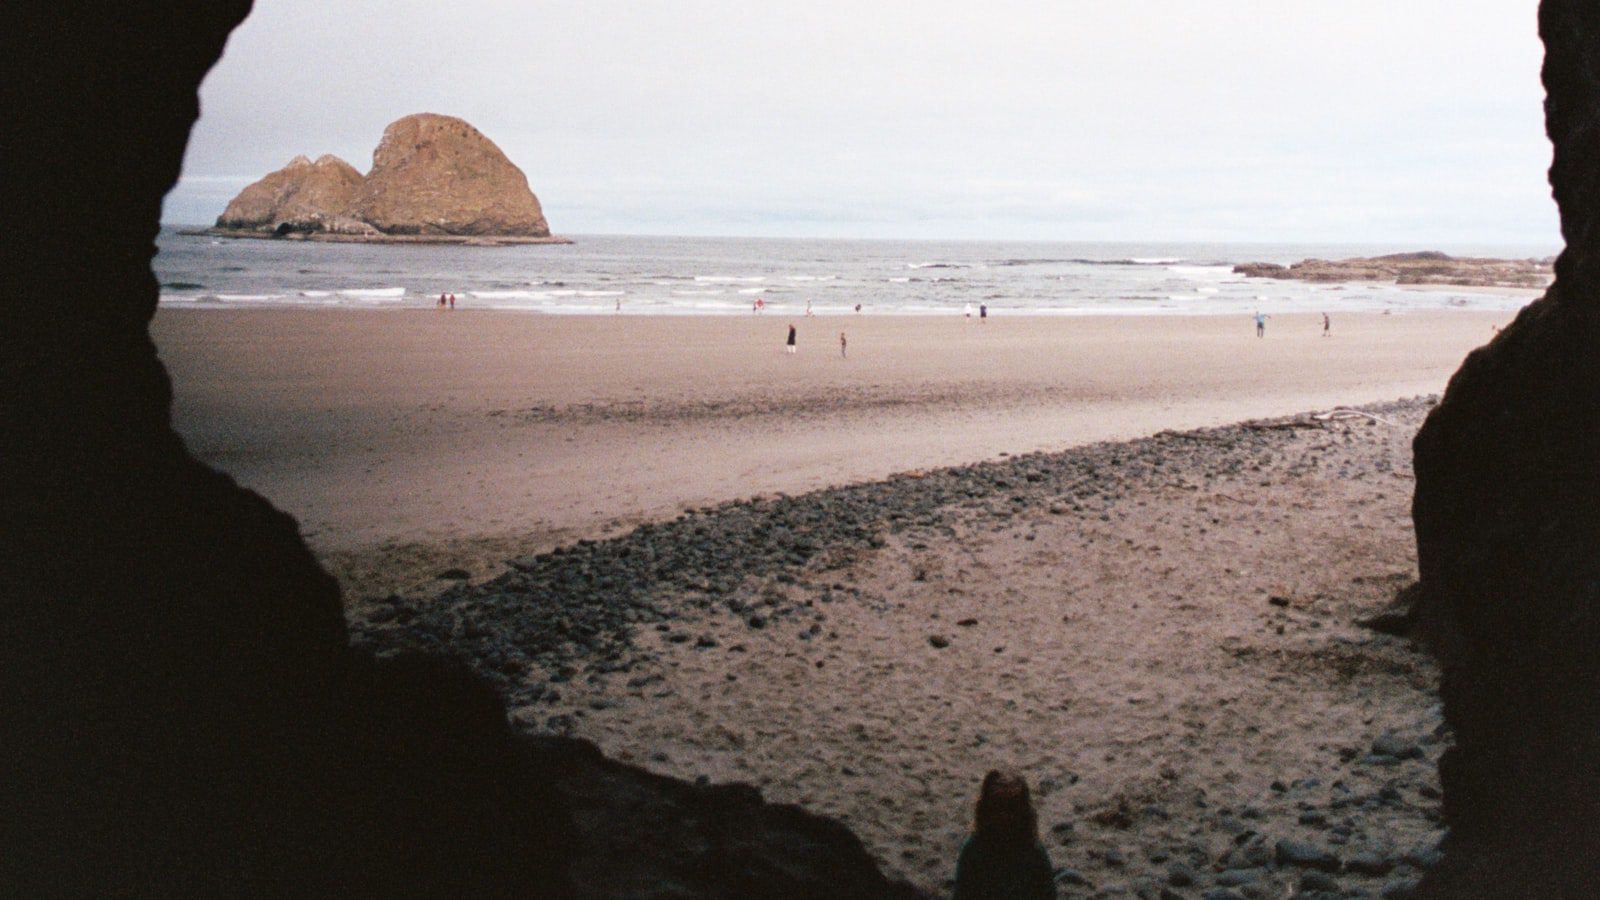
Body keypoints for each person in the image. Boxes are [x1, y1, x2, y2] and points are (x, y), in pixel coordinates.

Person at [953, 771, 1056, 900]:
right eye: (998, 807)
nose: (1004, 816)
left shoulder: (1033, 851)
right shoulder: (973, 850)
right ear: (987, 810)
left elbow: (1048, 894)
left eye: (1012, 808)